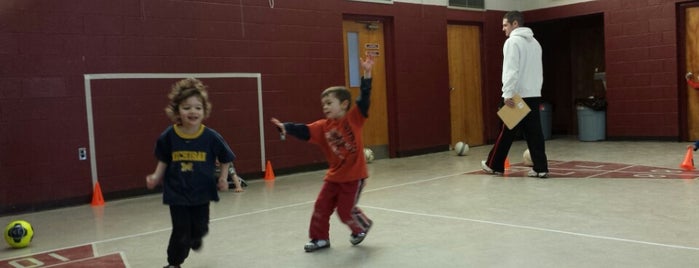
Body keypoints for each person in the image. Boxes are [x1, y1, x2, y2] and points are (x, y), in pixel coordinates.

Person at [269, 54, 375, 252]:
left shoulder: (354, 119)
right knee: (321, 207)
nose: (325, 106)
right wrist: (286, 127)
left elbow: (364, 99)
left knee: (345, 212)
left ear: (344, 104)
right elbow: (304, 129)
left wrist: (367, 74)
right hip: (334, 176)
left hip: (354, 177)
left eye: (329, 103)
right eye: (323, 103)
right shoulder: (322, 127)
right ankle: (320, 239)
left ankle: (362, 226)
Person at [146, 78, 235, 268]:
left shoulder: (211, 137)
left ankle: (195, 237)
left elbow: (226, 157)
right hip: (177, 192)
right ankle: (174, 263)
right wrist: (156, 175)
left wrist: (222, 178)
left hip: (202, 193)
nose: (192, 112)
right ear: (177, 110)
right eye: (186, 108)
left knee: (200, 229)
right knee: (180, 230)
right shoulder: (169, 136)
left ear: (204, 110)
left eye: (197, 107)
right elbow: (164, 159)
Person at [481, 10, 549, 178]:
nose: (503, 29)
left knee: (505, 132)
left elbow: (511, 70)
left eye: (505, 25)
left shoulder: (512, 42)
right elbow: (537, 71)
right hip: (533, 94)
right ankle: (541, 168)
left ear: (515, 24)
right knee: (535, 133)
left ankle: (493, 165)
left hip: (517, 96)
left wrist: (507, 94)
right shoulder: (535, 43)